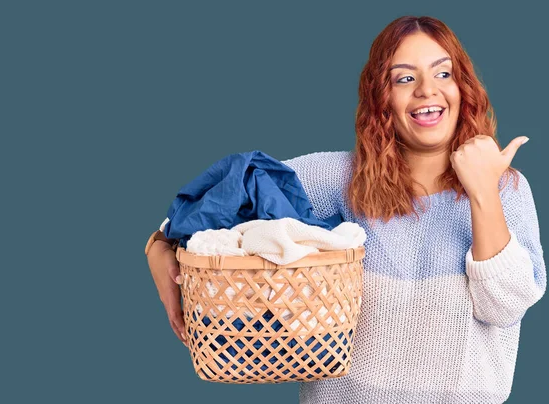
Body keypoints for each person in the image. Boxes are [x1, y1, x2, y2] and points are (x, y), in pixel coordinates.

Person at [145, 15, 546, 404]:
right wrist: (159, 246)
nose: (427, 90)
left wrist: (483, 191)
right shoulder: (340, 177)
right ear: (382, 98)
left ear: (463, 87)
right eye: (405, 78)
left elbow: (506, 306)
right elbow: (235, 191)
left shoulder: (506, 190)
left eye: (443, 73)